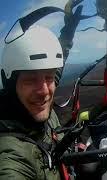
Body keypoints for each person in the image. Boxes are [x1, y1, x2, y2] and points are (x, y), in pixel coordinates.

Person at [0, 26, 65, 179]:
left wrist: (69, 27)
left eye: (49, 77)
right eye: (30, 80)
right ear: (10, 86)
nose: (44, 91)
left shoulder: (32, 104)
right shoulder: (11, 155)